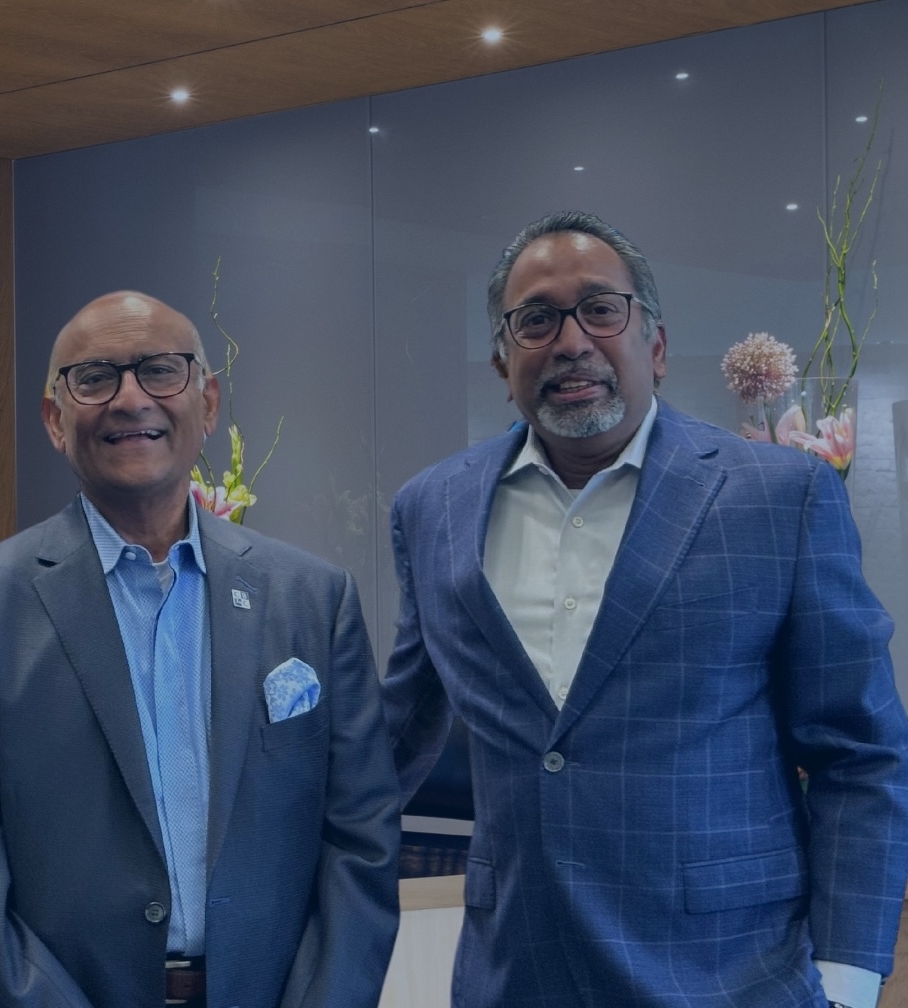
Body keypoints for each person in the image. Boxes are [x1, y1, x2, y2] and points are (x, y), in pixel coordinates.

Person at [382, 209, 908, 1008]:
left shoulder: (778, 497)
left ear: (654, 347)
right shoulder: (431, 508)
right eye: (535, 320)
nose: (569, 342)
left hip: (730, 977)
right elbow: (395, 735)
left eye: (600, 309)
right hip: (514, 972)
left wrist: (846, 977)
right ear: (501, 358)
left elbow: (858, 753)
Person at [0, 291, 401, 1008]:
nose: (130, 399)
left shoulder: (313, 601)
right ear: (53, 419)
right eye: (94, 378)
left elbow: (362, 843)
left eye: (160, 371)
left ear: (207, 404)